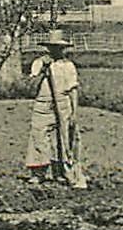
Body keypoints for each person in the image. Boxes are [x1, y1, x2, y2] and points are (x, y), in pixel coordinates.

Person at [25, 29, 87, 188]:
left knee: (63, 139)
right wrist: (42, 71)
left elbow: (73, 90)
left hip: (63, 104)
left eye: (59, 48)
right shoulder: (39, 63)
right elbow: (30, 86)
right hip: (43, 104)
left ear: (64, 49)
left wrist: (74, 112)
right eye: (52, 47)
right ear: (47, 48)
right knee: (38, 136)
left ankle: (63, 172)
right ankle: (38, 173)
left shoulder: (68, 66)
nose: (55, 51)